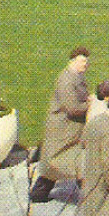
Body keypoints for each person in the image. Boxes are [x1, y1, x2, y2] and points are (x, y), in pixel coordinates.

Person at [30, 46, 91, 202]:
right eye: (83, 61)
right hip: (63, 131)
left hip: (69, 130)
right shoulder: (67, 80)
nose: (86, 64)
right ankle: (90, 196)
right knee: (65, 162)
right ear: (73, 61)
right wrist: (90, 105)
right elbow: (72, 108)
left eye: (86, 61)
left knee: (57, 165)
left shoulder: (75, 77)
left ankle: (38, 194)